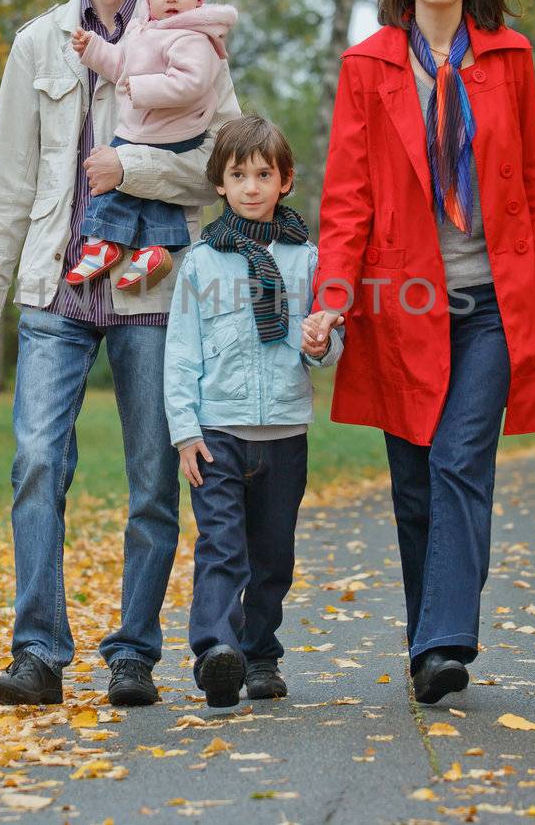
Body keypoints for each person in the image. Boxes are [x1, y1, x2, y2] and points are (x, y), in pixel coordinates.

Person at [0, 0, 240, 708]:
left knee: (154, 479)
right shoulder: (38, 44)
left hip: (152, 294)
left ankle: (133, 653)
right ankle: (38, 652)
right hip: (55, 288)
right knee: (38, 460)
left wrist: (136, 168)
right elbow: (8, 180)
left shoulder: (195, 41)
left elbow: (222, 174)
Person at [309, 0, 535, 705]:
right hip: (400, 301)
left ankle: (448, 635)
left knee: (458, 460)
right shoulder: (369, 66)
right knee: (413, 479)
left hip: (491, 300)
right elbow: (347, 200)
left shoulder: (510, 59)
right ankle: (428, 651)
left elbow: (529, 186)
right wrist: (331, 301)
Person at [163, 116, 343, 708]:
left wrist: (321, 343)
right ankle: (217, 651)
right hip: (218, 432)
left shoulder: (307, 260)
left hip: (285, 432)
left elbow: (326, 344)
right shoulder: (201, 264)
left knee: (272, 554)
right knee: (221, 546)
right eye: (238, 175)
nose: (251, 186)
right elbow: (182, 352)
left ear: (285, 181)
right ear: (220, 183)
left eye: (264, 174)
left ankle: (261, 654)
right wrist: (186, 432)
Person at [67, 0, 238, 291]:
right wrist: (94, 49)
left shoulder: (194, 36)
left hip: (174, 131)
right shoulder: (144, 30)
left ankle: (104, 240)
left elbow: (191, 83)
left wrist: (142, 88)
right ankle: (150, 250)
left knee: (118, 186)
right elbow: (120, 66)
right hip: (147, 128)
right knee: (152, 195)